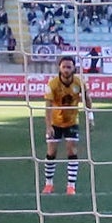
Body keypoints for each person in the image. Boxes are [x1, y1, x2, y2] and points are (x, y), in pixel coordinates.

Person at [42, 55, 92, 195]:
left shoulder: (79, 82)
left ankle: (71, 186)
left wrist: (90, 116)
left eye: (69, 67)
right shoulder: (52, 84)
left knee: (72, 150)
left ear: (74, 68)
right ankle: (49, 184)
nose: (66, 70)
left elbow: (87, 99)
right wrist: (48, 126)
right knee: (51, 152)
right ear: (59, 68)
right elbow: (47, 106)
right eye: (64, 67)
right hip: (55, 122)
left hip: (71, 121)